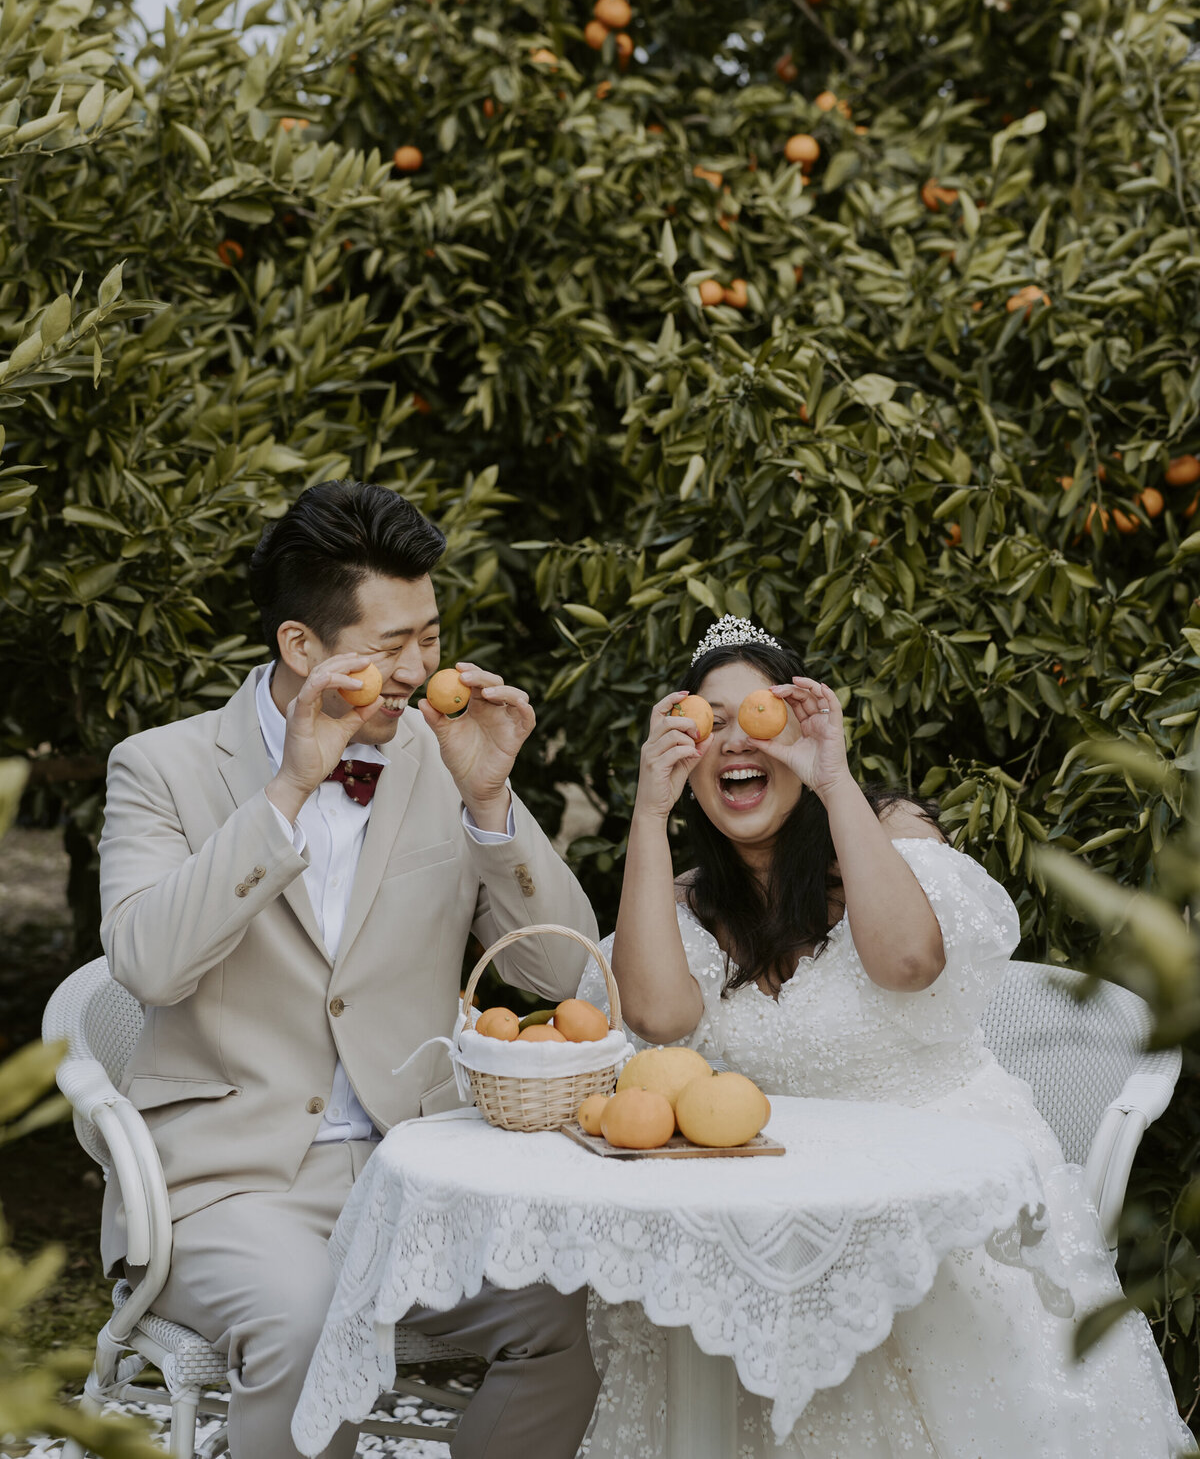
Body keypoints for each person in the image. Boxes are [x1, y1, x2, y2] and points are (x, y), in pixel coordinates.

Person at [578, 614, 1196, 1458]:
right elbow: (655, 1016)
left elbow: (909, 960)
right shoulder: (683, 897)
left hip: (939, 1203)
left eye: (755, 713)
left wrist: (834, 781)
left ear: (801, 725)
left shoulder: (887, 834)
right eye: (705, 721)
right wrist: (648, 816)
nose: (731, 739)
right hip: (780, 1219)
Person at [97, 481, 601, 1459]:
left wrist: (490, 799)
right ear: (300, 646)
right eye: (394, 642)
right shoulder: (161, 767)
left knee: (568, 1308)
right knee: (303, 1315)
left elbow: (557, 970)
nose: (423, 666)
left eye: (432, 634)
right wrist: (289, 787)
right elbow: (148, 964)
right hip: (231, 1182)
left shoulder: (444, 756)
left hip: (422, 1172)